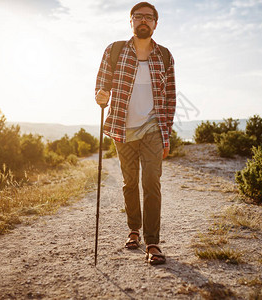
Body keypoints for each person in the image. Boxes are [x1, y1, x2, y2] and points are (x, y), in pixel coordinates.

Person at [95, 2, 176, 265]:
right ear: (130, 21)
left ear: (155, 23)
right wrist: (101, 96)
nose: (144, 21)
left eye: (149, 17)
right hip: (122, 128)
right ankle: (134, 230)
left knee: (151, 182)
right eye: (138, 17)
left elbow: (170, 99)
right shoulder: (115, 50)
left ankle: (152, 242)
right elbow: (101, 85)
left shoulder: (164, 56)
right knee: (130, 183)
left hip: (153, 128)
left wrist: (167, 135)